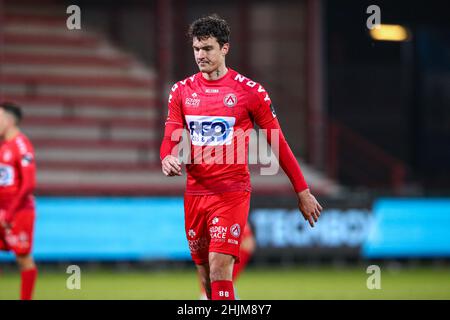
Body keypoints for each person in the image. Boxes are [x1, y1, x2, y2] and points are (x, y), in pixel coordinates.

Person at [160, 14, 322, 300]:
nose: (201, 55)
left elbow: (279, 144)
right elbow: (169, 135)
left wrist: (302, 190)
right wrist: (166, 158)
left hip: (232, 192)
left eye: (207, 48)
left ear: (225, 48)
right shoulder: (181, 91)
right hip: (195, 192)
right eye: (197, 49)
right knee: (206, 281)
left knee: (220, 269)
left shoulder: (250, 92)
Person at [0, 102, 38, 300]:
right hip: (2, 210)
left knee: (23, 258)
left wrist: (10, 212)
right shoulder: (4, 147)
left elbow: (28, 184)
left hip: (19, 211)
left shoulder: (21, 145)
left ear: (9, 120)